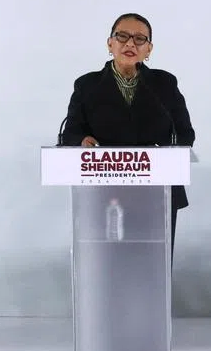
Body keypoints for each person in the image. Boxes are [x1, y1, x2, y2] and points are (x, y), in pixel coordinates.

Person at [60, 13, 195, 249]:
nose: (130, 43)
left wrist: (162, 153)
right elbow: (70, 133)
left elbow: (185, 134)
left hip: (157, 195)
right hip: (102, 194)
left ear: (149, 49)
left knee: (151, 261)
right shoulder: (87, 85)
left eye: (140, 39)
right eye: (122, 36)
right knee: (108, 261)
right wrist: (82, 140)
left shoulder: (164, 84)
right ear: (110, 44)